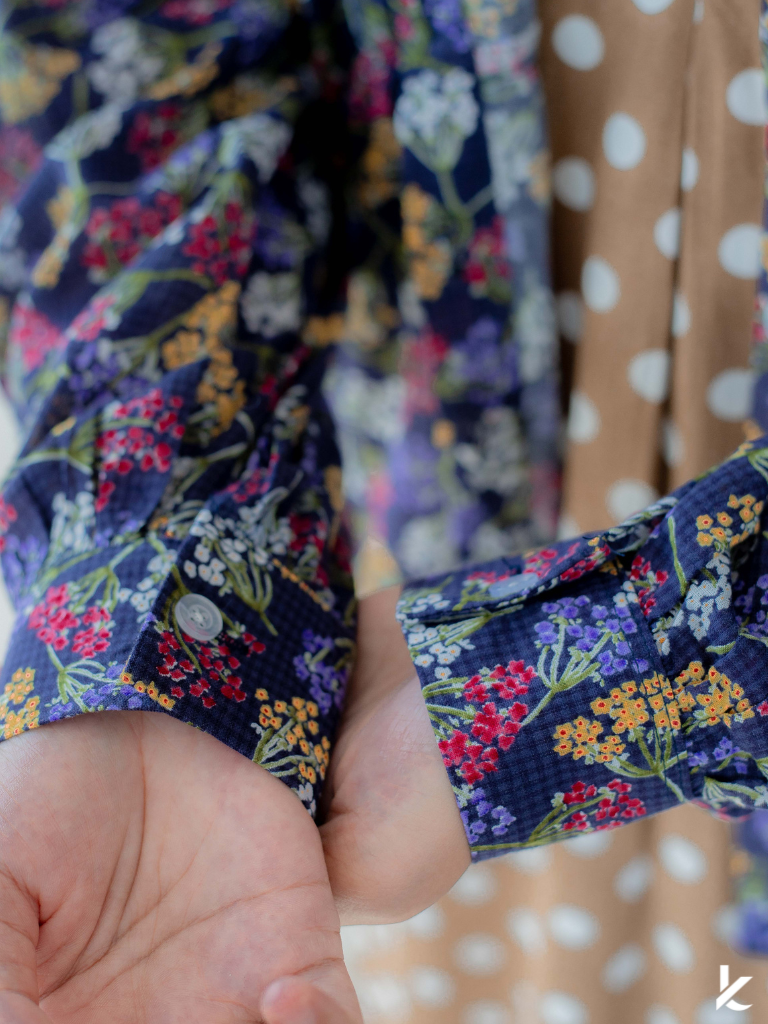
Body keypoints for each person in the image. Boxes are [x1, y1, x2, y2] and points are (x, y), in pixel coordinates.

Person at [1, 2, 768, 1022]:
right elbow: (132, 51)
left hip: (452, 732)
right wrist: (152, 650)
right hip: (415, 646)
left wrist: (529, 694)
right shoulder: (288, 819)